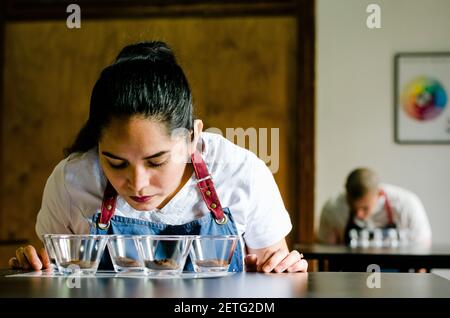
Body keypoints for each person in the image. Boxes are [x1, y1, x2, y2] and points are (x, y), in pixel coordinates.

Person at [8, 41, 307, 273]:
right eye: (115, 162)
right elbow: (53, 275)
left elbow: (273, 273)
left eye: (156, 161)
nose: (138, 184)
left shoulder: (241, 173)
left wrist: (281, 269)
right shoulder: (72, 180)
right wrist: (34, 267)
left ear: (193, 137)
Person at [317, 167, 432, 246]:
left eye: (365, 208)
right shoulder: (332, 208)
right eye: (353, 207)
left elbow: (423, 247)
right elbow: (325, 249)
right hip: (350, 274)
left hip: (398, 274)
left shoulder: (406, 205)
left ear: (380, 194)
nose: (359, 214)